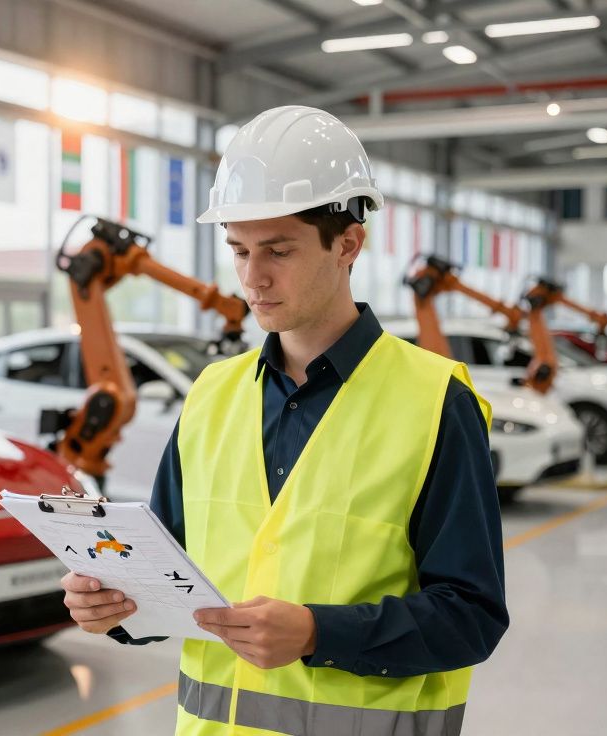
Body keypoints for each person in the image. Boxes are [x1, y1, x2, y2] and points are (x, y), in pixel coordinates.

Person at [59, 106, 508, 735]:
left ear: (348, 243)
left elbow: (472, 616)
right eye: (238, 250)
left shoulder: (435, 401)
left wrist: (319, 633)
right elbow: (169, 580)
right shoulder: (212, 394)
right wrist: (115, 607)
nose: (252, 278)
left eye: (278, 251)